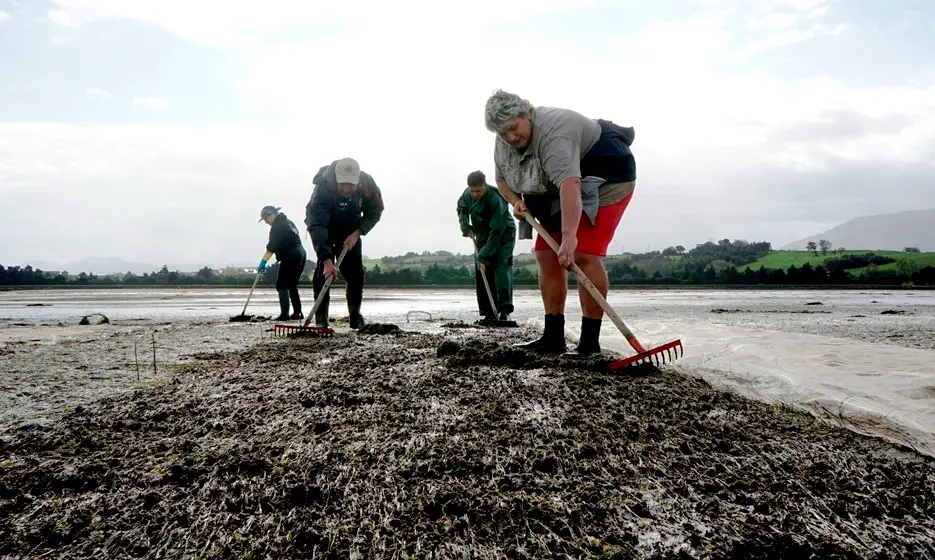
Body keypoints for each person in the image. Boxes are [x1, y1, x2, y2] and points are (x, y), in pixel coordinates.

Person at [484, 89, 637, 358]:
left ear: (527, 114)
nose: (511, 137)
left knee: (582, 253)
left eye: (513, 128)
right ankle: (553, 337)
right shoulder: (504, 141)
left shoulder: (554, 132)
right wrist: (515, 201)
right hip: (554, 189)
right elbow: (502, 182)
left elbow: (570, 184)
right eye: (502, 133)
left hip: (607, 176)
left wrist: (569, 237)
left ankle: (590, 343)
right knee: (545, 254)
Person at [305, 157, 384, 329]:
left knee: (356, 274)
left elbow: (376, 210)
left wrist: (358, 232)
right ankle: (321, 320)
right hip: (324, 228)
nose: (347, 188)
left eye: (351, 185)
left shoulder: (367, 185)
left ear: (358, 180)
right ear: (336, 179)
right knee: (322, 273)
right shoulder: (323, 189)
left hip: (350, 230)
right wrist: (327, 261)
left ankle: (355, 315)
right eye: (343, 184)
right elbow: (316, 225)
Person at [456, 170, 516, 322]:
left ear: (485, 186)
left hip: (502, 234)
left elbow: (496, 232)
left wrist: (484, 256)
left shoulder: (496, 199)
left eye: (478, 191)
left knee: (500, 266)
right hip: (482, 234)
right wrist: (465, 226)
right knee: (482, 269)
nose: (475, 194)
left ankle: (504, 310)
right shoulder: (467, 194)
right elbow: (461, 207)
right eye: (472, 191)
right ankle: (489, 312)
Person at [257, 205, 307, 321]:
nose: (266, 222)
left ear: (271, 215)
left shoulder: (277, 226)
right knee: (292, 284)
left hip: (291, 254)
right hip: (301, 253)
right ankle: (297, 313)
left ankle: (284, 314)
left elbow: (272, 246)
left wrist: (264, 261)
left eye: (265, 219)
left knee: (282, 283)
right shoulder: (288, 222)